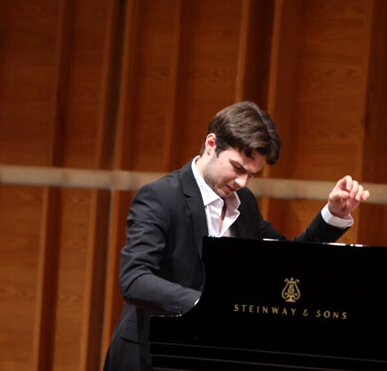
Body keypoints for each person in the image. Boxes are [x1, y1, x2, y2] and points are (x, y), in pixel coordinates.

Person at [102, 101, 370, 371]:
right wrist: (204, 306)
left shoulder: (244, 202)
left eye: (252, 175)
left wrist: (333, 215)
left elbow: (287, 260)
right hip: (149, 356)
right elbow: (134, 279)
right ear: (211, 144)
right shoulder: (161, 197)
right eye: (238, 168)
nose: (242, 182)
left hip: (207, 355)